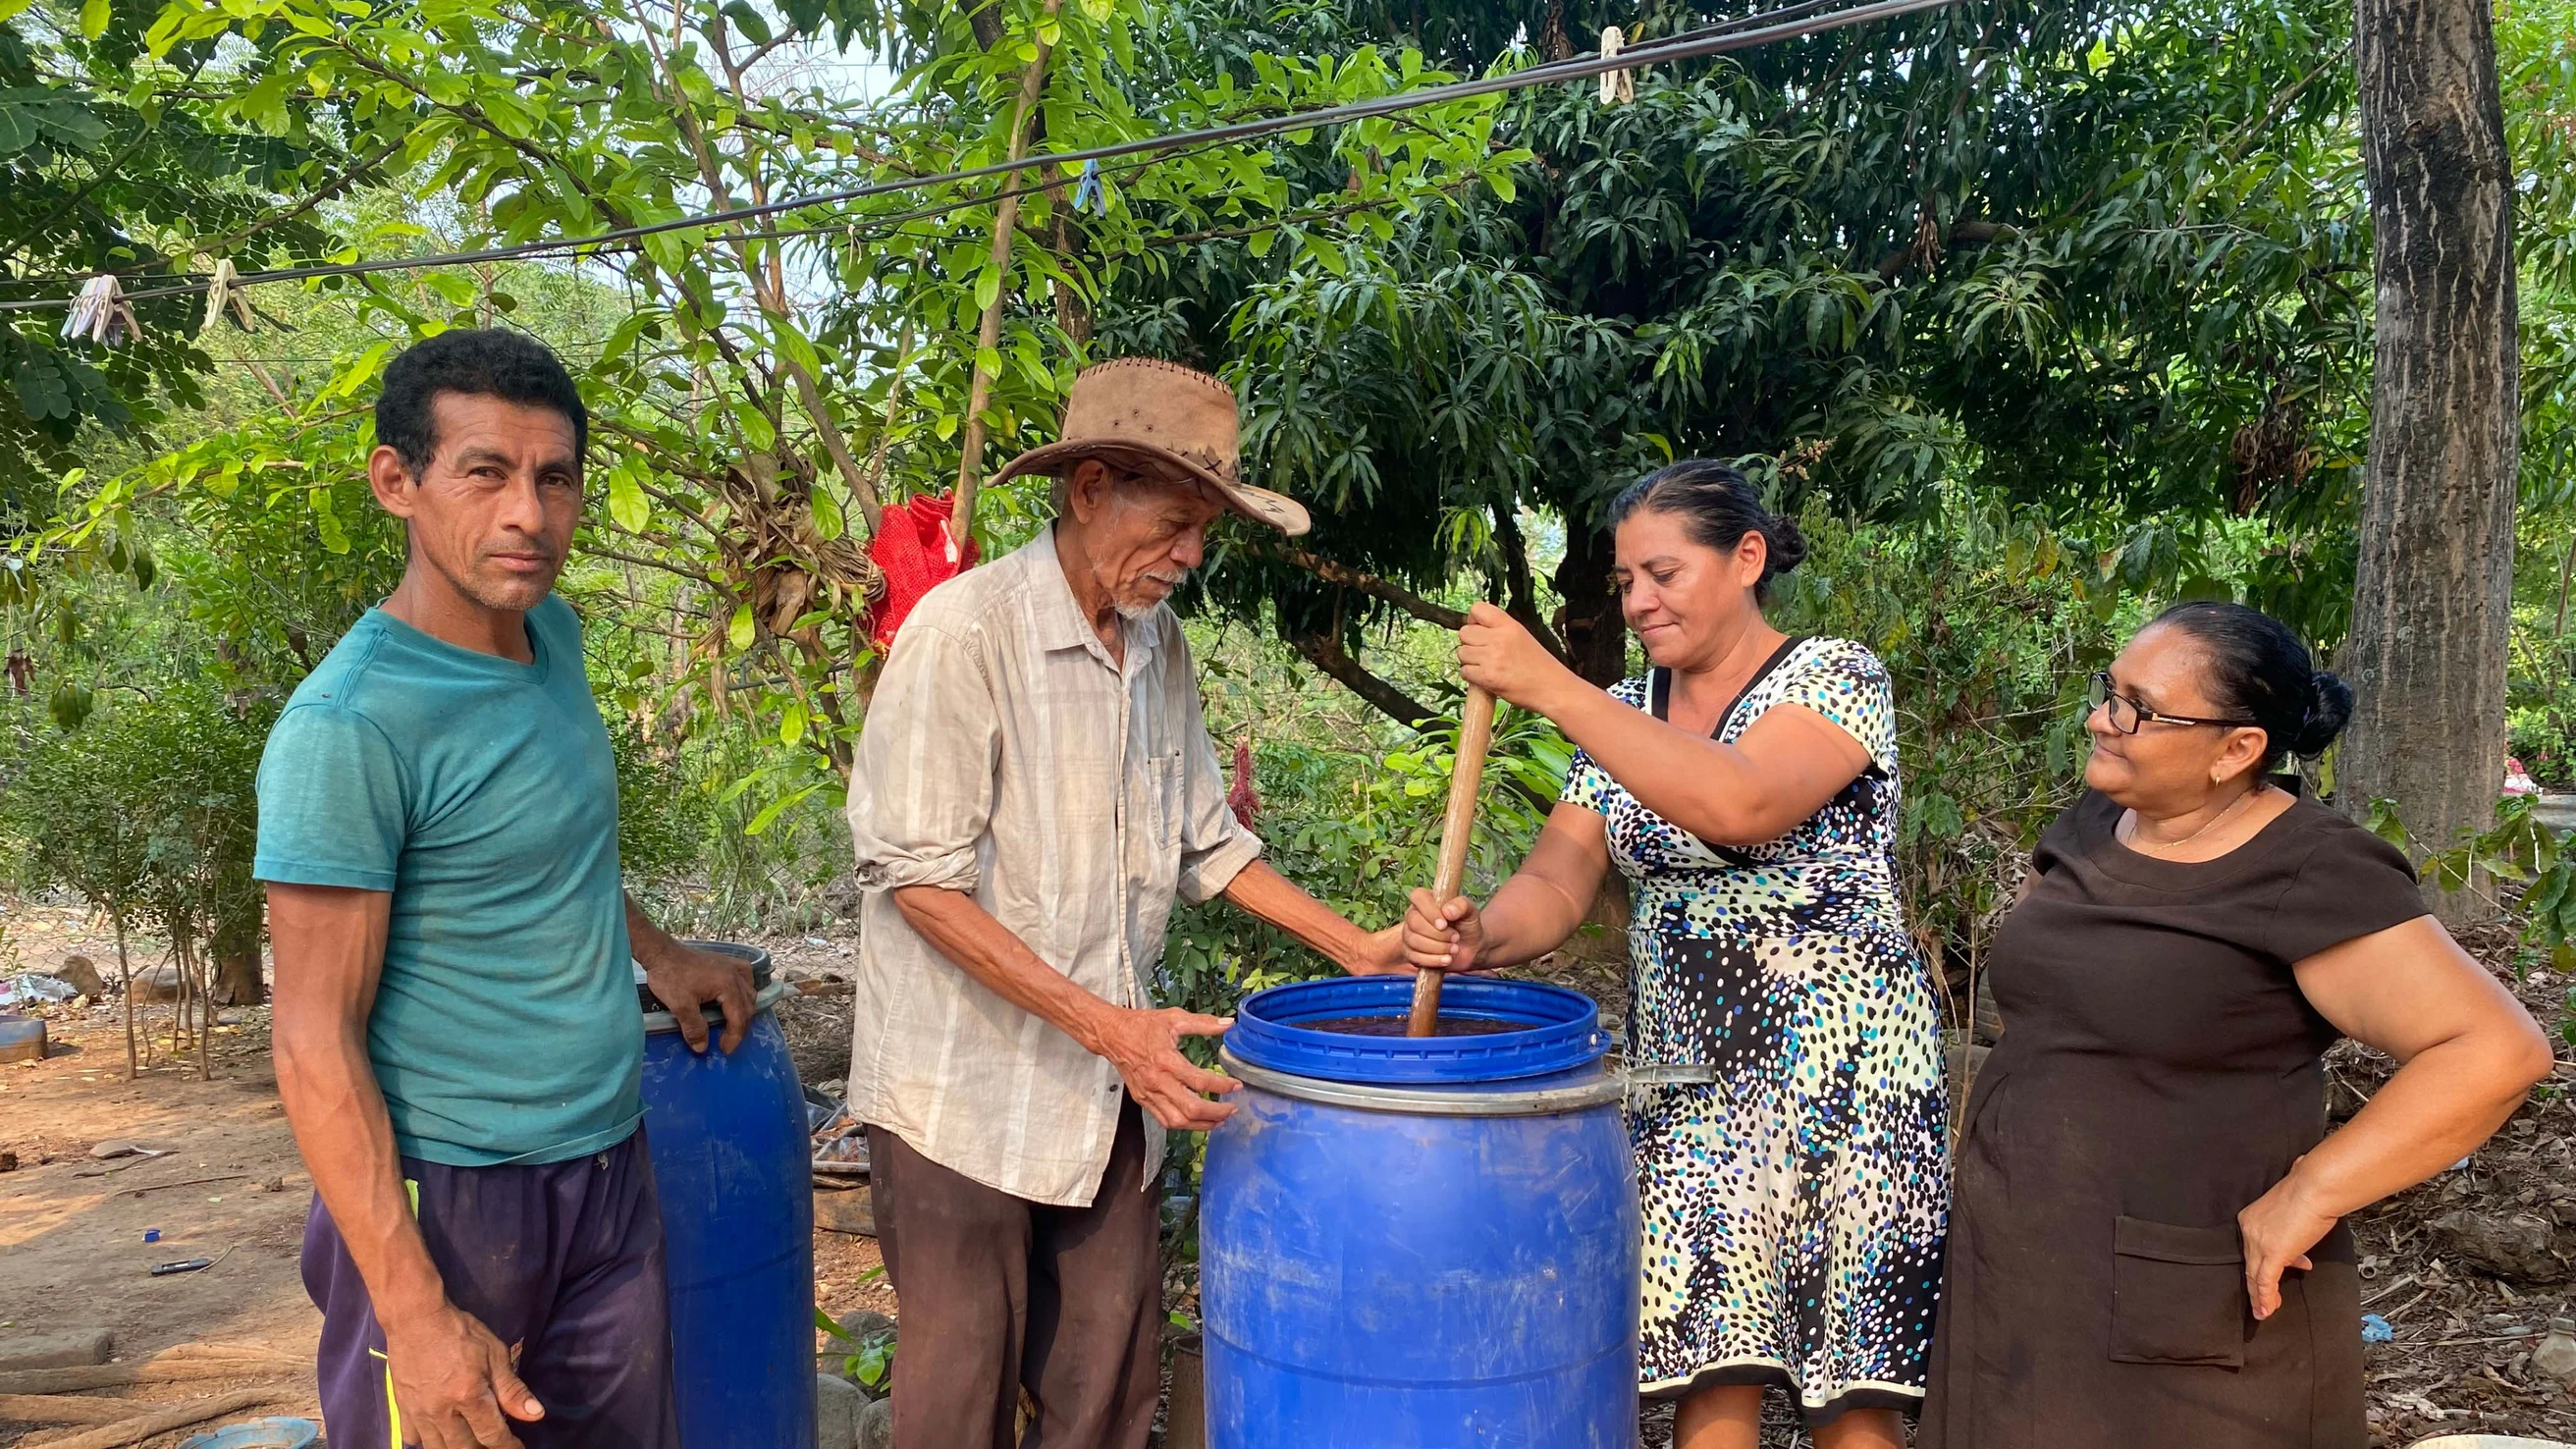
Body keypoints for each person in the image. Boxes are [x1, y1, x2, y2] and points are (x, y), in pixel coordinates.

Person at [844, 356, 1408, 1449]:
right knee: (956, 1407)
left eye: (1205, 528)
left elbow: (1204, 838)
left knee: (1104, 1394)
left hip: (1107, 1095)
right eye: (1177, 520)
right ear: (1089, 486)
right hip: (962, 1098)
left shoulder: (1157, 646)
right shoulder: (965, 634)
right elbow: (918, 882)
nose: (1191, 556)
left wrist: (1354, 948)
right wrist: (1115, 1032)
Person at [258, 330, 754, 1449]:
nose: (528, 514)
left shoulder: (552, 635)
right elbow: (311, 1041)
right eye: (484, 472)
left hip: (608, 1164)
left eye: (555, 477)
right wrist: (415, 1308)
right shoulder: (351, 728)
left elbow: (551, 841)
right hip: (447, 1195)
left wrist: (658, 954)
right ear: (399, 481)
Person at [1404, 459, 1948, 1448]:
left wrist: (1552, 688)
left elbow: (1740, 802)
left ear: (1745, 559)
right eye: (1624, 583)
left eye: (1662, 573)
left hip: (1847, 1076)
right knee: (1709, 1360)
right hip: (1696, 1079)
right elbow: (1558, 883)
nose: (1640, 601)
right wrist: (1478, 932)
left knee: (1849, 1391)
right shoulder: (1622, 708)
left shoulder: (1833, 676)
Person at [1920, 602, 2555, 1449]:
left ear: (2237, 749)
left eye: (2137, 709)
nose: (2100, 720)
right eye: (2108, 691)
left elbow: (2496, 1050)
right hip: (2021, 1267)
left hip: (2187, 1300)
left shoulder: (2310, 870)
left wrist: (2312, 1192)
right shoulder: (2092, 825)